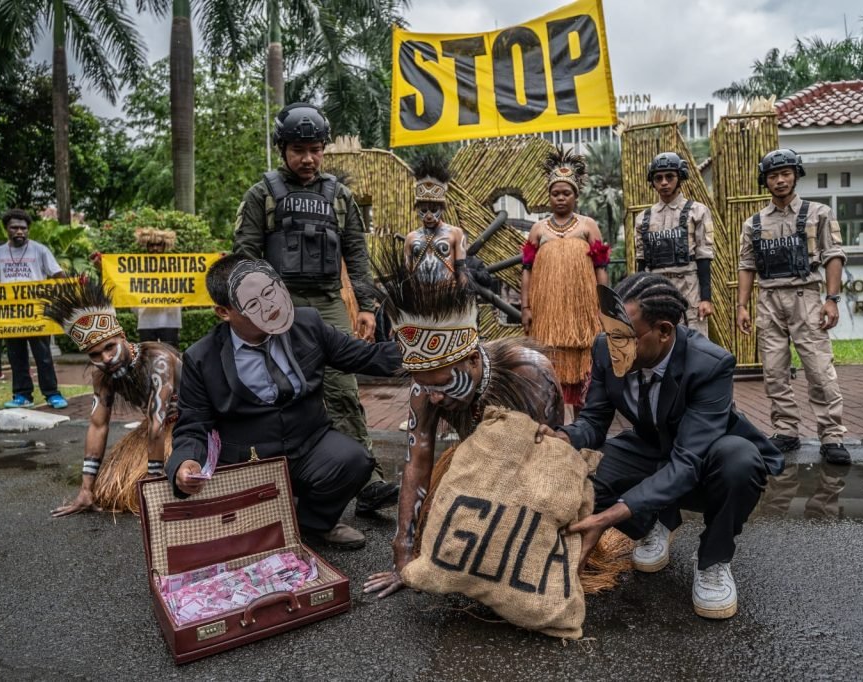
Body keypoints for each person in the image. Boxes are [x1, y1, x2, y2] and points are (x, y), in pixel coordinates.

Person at [536, 274, 783, 620]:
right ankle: (653, 520)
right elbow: (593, 421)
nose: (612, 343)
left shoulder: (709, 364)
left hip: (703, 455)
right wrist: (562, 438)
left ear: (664, 331)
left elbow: (686, 463)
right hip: (651, 446)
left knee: (740, 462)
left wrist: (608, 518)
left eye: (624, 336)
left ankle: (713, 560)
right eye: (610, 332)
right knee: (581, 475)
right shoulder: (607, 348)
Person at [364, 252, 566, 598]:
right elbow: (416, 464)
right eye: (426, 386)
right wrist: (404, 552)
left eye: (443, 384)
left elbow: (552, 456)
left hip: (531, 467)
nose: (435, 398)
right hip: (476, 464)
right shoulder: (425, 388)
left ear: (472, 359)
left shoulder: (530, 372)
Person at [167, 257, 402, 549]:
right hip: (247, 462)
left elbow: (365, 357)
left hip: (309, 444)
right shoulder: (201, 358)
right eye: (253, 305)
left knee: (354, 460)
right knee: (244, 544)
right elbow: (193, 425)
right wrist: (185, 463)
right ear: (224, 312)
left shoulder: (307, 323)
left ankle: (312, 526)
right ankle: (268, 521)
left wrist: (424, 350)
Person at [232, 102, 398, 514]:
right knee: (273, 390)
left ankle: (367, 482)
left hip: (327, 303)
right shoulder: (262, 194)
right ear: (282, 149)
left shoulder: (339, 197)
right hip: (275, 304)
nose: (308, 158)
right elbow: (245, 256)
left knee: (343, 389)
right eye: (298, 149)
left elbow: (357, 253)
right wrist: (250, 311)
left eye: (316, 149)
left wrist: (366, 306)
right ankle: (270, 485)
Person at [736, 148, 851, 466]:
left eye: (786, 173)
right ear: (766, 181)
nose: (780, 180)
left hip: (807, 298)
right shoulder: (754, 224)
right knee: (773, 372)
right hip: (768, 300)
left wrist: (832, 299)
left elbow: (833, 256)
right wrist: (742, 306)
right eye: (773, 175)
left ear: (796, 175)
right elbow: (746, 264)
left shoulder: (819, 214)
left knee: (818, 369)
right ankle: (785, 430)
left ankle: (831, 435)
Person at [44, 279, 182, 516]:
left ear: (123, 337)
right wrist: (86, 488)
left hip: (191, 425)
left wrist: (152, 480)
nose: (106, 358)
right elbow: (98, 425)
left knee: (147, 490)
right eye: (95, 354)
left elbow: (158, 423)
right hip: (156, 427)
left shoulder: (158, 360)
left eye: (110, 347)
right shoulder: (102, 375)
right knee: (109, 491)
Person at [520, 146, 610, 419]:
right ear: (549, 196)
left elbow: (600, 267)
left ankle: (584, 420)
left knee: (584, 358)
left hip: (582, 309)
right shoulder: (538, 229)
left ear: (576, 195)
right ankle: (553, 417)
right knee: (549, 355)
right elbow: (527, 270)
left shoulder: (588, 226)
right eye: (555, 193)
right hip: (547, 309)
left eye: (566, 193)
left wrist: (604, 303)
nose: (560, 198)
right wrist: (526, 307)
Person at [0, 209, 69, 409]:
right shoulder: (0, 252)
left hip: (37, 312)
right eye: (14, 227)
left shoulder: (40, 250)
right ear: (7, 229)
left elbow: (57, 274)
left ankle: (52, 394)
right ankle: (22, 396)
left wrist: (74, 284)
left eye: (23, 228)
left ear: (28, 230)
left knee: (43, 356)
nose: (19, 232)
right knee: (16, 356)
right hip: (10, 314)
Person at [633, 152, 715, 335]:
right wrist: (639, 299)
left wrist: (706, 299)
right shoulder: (642, 219)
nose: (664, 182)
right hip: (656, 289)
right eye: (658, 178)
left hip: (689, 286)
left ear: (680, 178)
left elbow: (704, 257)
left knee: (694, 342)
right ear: (652, 182)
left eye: (669, 177)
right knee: (659, 340)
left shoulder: (698, 212)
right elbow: (641, 262)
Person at [403, 153, 468, 285]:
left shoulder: (456, 234)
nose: (428, 216)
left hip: (447, 298)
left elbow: (461, 270)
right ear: (417, 209)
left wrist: (465, 298)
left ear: (442, 208)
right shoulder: (410, 238)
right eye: (423, 210)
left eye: (433, 210)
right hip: (420, 300)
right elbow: (406, 275)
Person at [133, 227, 182, 348]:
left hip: (170, 319)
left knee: (171, 354)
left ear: (165, 246)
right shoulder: (137, 267)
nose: (155, 248)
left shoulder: (177, 266)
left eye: (159, 245)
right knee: (148, 356)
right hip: (146, 320)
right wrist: (101, 265)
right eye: (151, 245)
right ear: (146, 246)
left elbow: (197, 277)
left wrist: (216, 260)